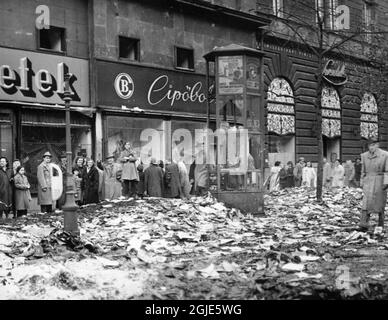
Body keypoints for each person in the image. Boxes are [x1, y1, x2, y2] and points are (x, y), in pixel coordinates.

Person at [359, 138, 388, 232]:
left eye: (373, 145)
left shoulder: (385, 155)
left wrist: (386, 183)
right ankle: (363, 224)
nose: (371, 147)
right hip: (368, 181)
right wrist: (361, 182)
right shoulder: (364, 156)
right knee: (366, 203)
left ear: (377, 145)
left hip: (379, 180)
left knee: (379, 204)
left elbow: (387, 171)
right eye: (369, 145)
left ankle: (380, 224)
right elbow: (363, 170)